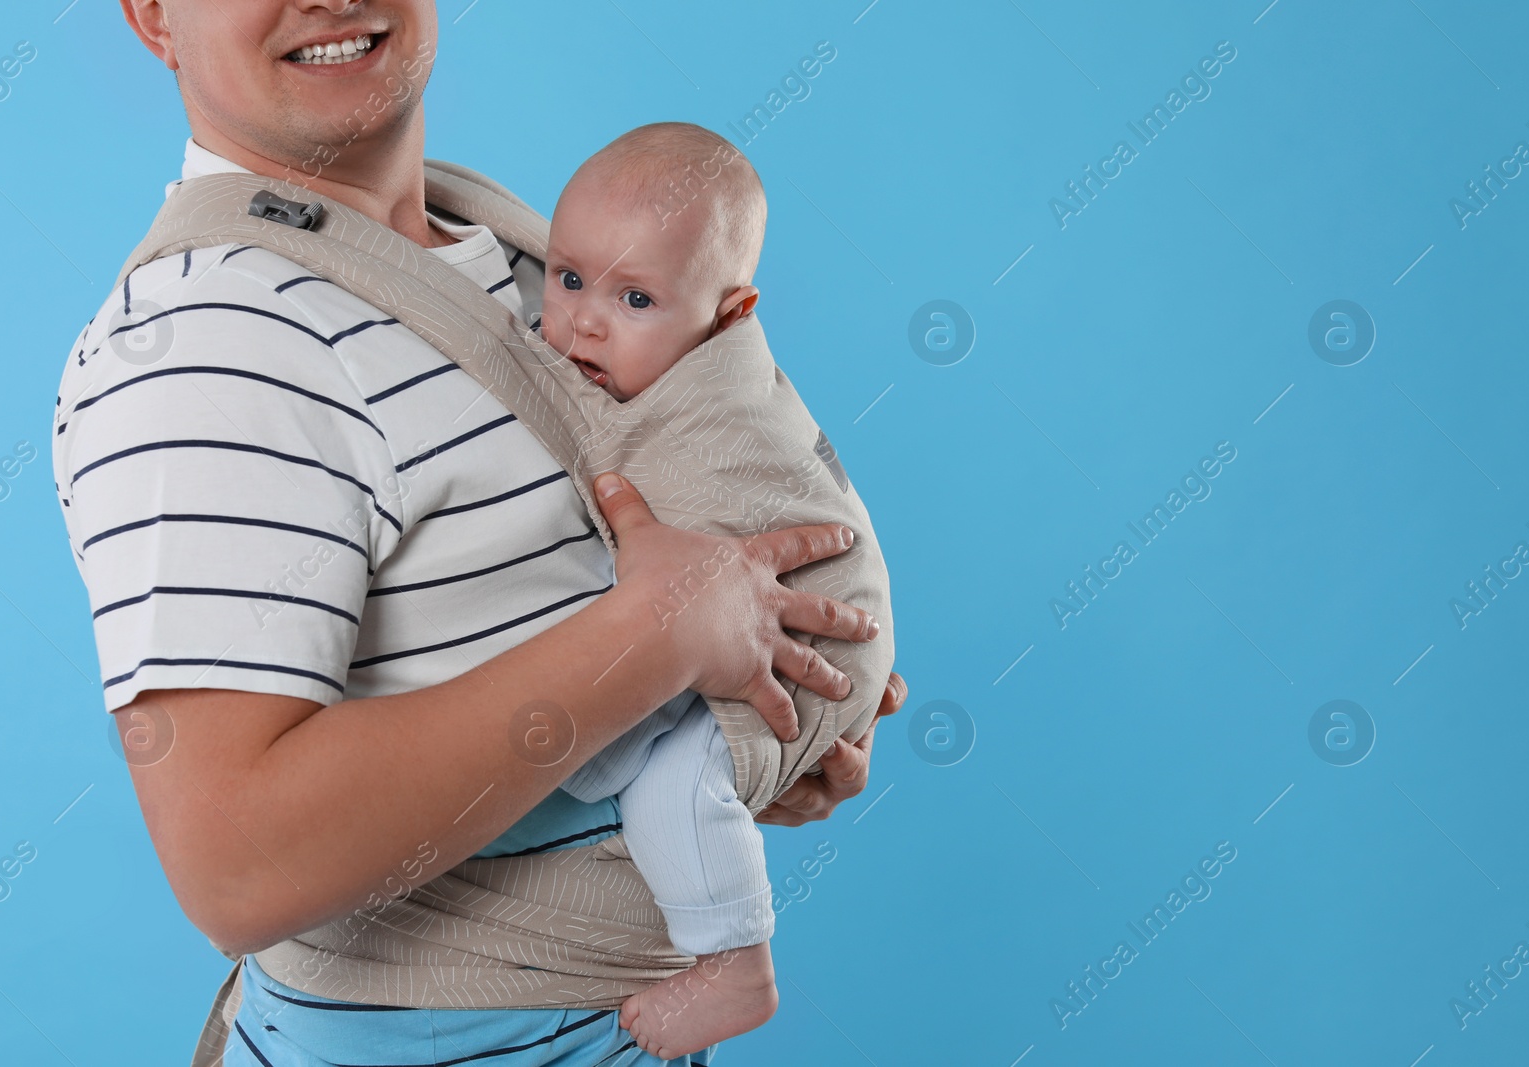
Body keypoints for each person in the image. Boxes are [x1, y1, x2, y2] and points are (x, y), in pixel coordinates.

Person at [54, 2, 905, 1064]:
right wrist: (662, 638)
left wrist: (765, 727)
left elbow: (550, 649)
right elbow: (238, 861)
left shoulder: (513, 244)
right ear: (152, 15)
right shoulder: (211, 345)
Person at [534, 121, 887, 1059]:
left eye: (636, 296)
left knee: (677, 786)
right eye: (566, 278)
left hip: (818, 619)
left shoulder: (711, 402)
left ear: (731, 314)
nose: (583, 323)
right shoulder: (635, 356)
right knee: (617, 750)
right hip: (747, 615)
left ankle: (737, 962)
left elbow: (726, 499)